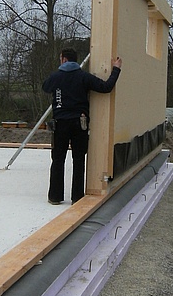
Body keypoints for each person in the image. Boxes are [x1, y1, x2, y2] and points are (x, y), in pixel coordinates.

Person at [42, 48, 122, 205]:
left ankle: (55, 196)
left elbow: (45, 87)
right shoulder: (83, 77)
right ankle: (77, 198)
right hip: (80, 123)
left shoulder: (55, 77)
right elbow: (106, 87)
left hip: (60, 124)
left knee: (58, 159)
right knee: (78, 160)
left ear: (64, 60)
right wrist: (116, 69)